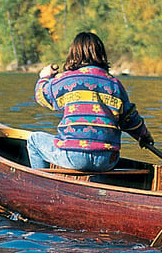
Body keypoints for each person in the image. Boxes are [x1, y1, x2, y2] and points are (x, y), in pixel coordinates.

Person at [27, 31, 153, 171]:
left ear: (73, 54)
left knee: (33, 140)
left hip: (74, 157)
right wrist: (144, 136)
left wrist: (44, 77)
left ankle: (41, 181)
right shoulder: (115, 84)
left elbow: (41, 96)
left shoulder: (67, 80)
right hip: (107, 160)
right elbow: (130, 120)